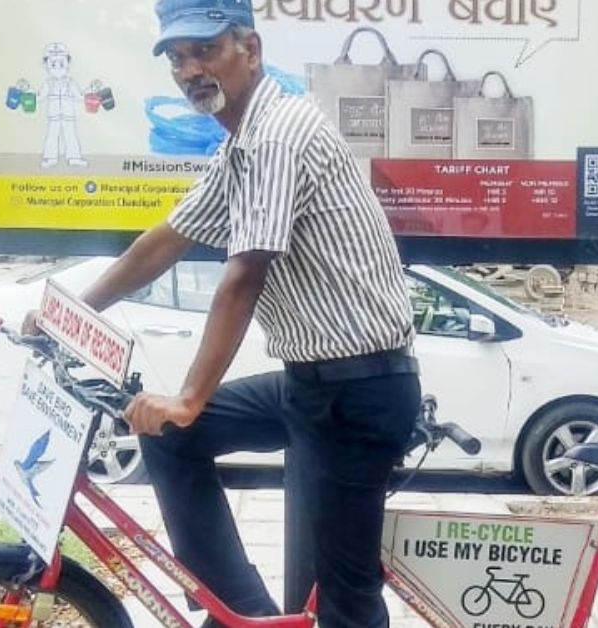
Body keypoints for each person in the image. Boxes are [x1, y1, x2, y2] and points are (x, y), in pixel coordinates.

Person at [28, 1, 420, 625]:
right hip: (311, 383)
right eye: (178, 59)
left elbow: (244, 274)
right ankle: (242, 615)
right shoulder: (240, 147)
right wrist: (70, 309)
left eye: (205, 51)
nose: (189, 70)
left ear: (251, 51)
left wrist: (188, 395)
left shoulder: (277, 134)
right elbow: (166, 240)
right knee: (169, 439)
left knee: (345, 598)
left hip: (361, 394)